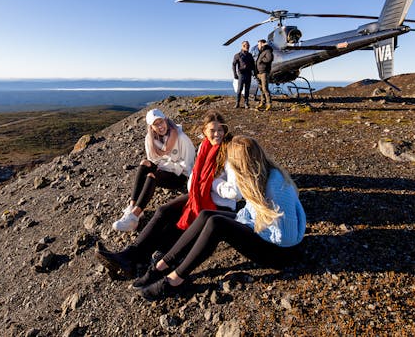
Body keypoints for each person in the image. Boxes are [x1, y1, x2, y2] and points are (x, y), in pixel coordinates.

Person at [134, 135, 306, 300]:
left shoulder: (275, 186)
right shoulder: (261, 173)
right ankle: (161, 265)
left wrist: (254, 230)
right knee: (206, 215)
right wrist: (248, 224)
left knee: (217, 224)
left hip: (280, 251)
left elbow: (288, 238)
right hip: (261, 227)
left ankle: (174, 280)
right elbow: (253, 211)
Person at [96, 111, 242, 277]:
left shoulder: (230, 152)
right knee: (163, 211)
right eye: (212, 131)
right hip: (199, 194)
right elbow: (194, 175)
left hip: (220, 204)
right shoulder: (204, 147)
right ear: (204, 132)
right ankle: (128, 256)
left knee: (174, 228)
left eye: (220, 130)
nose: (217, 134)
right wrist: (199, 182)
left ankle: (141, 262)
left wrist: (210, 182)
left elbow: (236, 193)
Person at [111, 108, 196, 232]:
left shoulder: (180, 137)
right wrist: (162, 166)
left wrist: (165, 168)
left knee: (152, 176)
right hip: (164, 168)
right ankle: (132, 206)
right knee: (144, 163)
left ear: (166, 120)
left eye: (161, 122)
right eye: (156, 124)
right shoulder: (150, 139)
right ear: (151, 127)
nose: (160, 126)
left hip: (179, 175)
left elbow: (189, 164)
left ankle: (134, 217)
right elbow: (153, 159)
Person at [232, 40, 256, 109]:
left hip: (249, 74)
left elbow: (253, 65)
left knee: (247, 90)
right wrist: (235, 74)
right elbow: (233, 65)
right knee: (239, 89)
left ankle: (246, 103)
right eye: (246, 45)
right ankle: (237, 103)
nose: (248, 46)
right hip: (241, 75)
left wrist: (254, 72)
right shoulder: (237, 55)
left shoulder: (250, 55)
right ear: (243, 46)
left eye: (248, 45)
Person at [255, 39, 274, 111]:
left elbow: (269, 59)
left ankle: (269, 104)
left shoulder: (267, 51)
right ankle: (262, 103)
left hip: (264, 73)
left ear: (262, 44)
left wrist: (262, 60)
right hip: (259, 73)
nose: (258, 46)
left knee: (265, 89)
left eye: (259, 44)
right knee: (261, 89)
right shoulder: (262, 52)